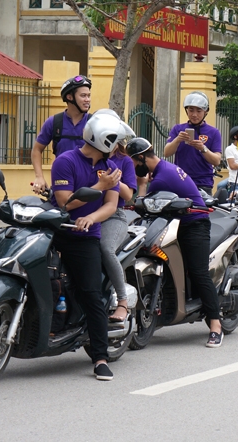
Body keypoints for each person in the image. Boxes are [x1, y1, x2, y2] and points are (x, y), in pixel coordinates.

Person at [50, 112, 130, 381]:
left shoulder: (112, 167)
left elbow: (111, 205)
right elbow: (64, 202)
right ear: (103, 139)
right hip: (58, 231)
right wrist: (100, 185)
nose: (118, 145)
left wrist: (91, 218)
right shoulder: (66, 161)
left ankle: (100, 358)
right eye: (115, 140)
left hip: (85, 236)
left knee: (91, 294)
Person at [127, 137, 225, 344]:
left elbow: (143, 204)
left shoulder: (162, 179)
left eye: (134, 162)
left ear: (142, 158)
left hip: (194, 224)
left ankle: (215, 324)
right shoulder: (163, 169)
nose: (133, 167)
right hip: (174, 224)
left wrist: (141, 185)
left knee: (199, 272)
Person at [91, 109, 138, 324]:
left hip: (114, 215)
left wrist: (111, 180)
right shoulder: (86, 156)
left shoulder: (123, 161)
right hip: (86, 211)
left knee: (105, 248)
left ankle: (122, 301)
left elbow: (128, 196)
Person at [32, 75, 92, 195]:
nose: (87, 99)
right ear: (70, 97)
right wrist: (39, 177)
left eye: (88, 95)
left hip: (88, 186)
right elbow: (37, 150)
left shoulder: (94, 122)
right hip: (61, 186)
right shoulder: (54, 122)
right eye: (83, 95)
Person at [163, 91, 222, 194]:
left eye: (199, 111)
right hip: (180, 180)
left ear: (206, 111)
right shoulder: (178, 129)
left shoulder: (214, 132)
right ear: (186, 111)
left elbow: (217, 161)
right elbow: (166, 153)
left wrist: (203, 148)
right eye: (191, 110)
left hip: (203, 183)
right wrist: (177, 140)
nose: (194, 115)